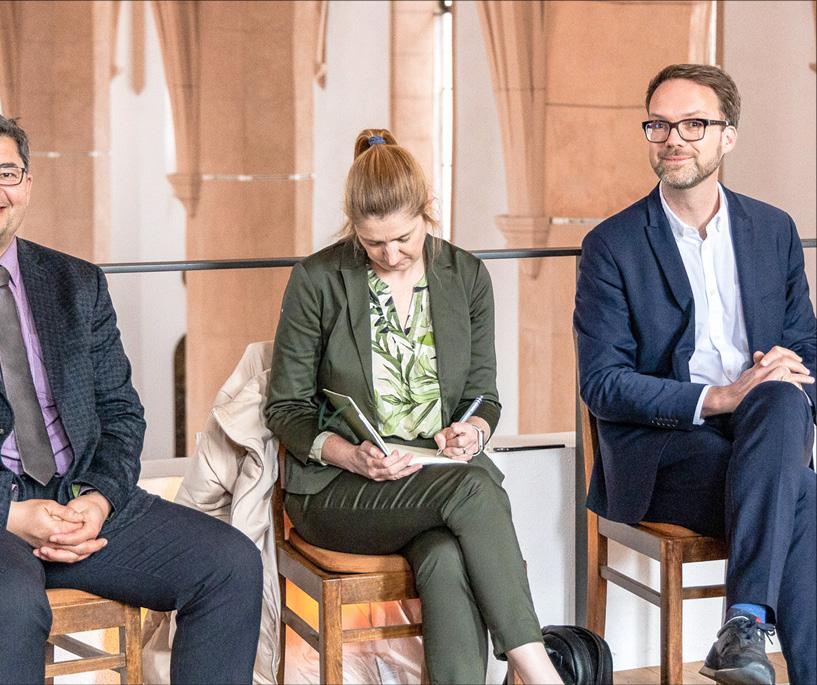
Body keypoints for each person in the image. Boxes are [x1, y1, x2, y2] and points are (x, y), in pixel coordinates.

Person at [0, 108, 263, 684]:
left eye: (5, 173)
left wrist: (99, 499)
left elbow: (121, 413)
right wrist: (8, 513)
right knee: (8, 597)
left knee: (230, 563)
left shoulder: (77, 282)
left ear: (27, 185)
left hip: (75, 501)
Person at [265, 129, 561, 685]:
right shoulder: (318, 280)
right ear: (353, 227)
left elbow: (485, 396)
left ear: (427, 212)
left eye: (403, 238)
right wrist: (352, 456)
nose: (391, 254)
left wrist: (472, 431)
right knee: (475, 488)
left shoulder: (466, 277)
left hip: (432, 482)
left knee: (446, 558)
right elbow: (285, 409)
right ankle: (539, 671)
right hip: (338, 492)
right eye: (373, 243)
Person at [574, 64, 815, 685]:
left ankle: (743, 627)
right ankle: (750, 626)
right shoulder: (613, 245)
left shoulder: (774, 230)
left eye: (693, 124)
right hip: (665, 453)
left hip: (763, 435)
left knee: (785, 401)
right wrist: (718, 396)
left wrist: (786, 372)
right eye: (659, 124)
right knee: (805, 498)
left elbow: (807, 349)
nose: (673, 138)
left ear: (727, 136)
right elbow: (602, 383)